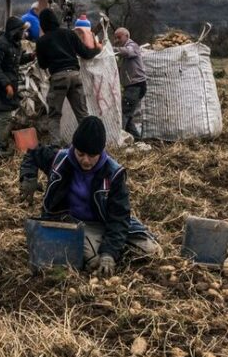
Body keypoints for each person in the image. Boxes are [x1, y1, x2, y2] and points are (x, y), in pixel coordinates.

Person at [19, 116, 160, 276]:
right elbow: (32, 153)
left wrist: (109, 252)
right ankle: (102, 247)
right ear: (74, 148)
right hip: (75, 222)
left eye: (92, 156)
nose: (85, 160)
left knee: (152, 252)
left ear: (101, 152)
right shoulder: (60, 159)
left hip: (105, 220)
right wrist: (28, 177)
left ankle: (111, 246)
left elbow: (119, 217)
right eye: (81, 154)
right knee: (93, 262)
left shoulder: (113, 173)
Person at [36, 8, 102, 144]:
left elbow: (42, 65)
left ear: (42, 23)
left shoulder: (42, 41)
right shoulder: (69, 34)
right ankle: (90, 143)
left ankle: (55, 146)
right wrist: (98, 49)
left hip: (58, 77)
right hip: (75, 75)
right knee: (82, 114)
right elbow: (85, 53)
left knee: (54, 115)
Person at [0, 16, 29, 157]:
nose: (23, 34)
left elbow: (15, 61)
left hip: (9, 85)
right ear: (14, 31)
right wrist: (6, 85)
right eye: (21, 31)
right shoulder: (0, 45)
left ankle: (2, 145)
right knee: (5, 117)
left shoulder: (15, 45)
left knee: (7, 116)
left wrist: (31, 57)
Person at [113, 27, 148, 139]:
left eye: (119, 37)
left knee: (124, 113)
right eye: (116, 37)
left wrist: (112, 49)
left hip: (136, 85)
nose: (117, 40)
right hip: (132, 86)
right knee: (128, 114)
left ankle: (119, 139)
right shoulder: (124, 48)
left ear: (126, 36)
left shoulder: (132, 45)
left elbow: (129, 52)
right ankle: (137, 139)